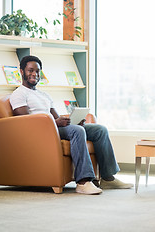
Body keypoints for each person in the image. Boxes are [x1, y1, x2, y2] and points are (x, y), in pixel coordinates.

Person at [9, 55, 133, 195]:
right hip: (41, 131)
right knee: (77, 131)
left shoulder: (44, 95)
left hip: (53, 127)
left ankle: (108, 178)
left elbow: (56, 117)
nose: (34, 74)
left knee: (100, 130)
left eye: (37, 71)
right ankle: (83, 182)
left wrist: (72, 121)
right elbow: (27, 121)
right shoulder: (18, 94)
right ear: (21, 71)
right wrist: (56, 123)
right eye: (30, 70)